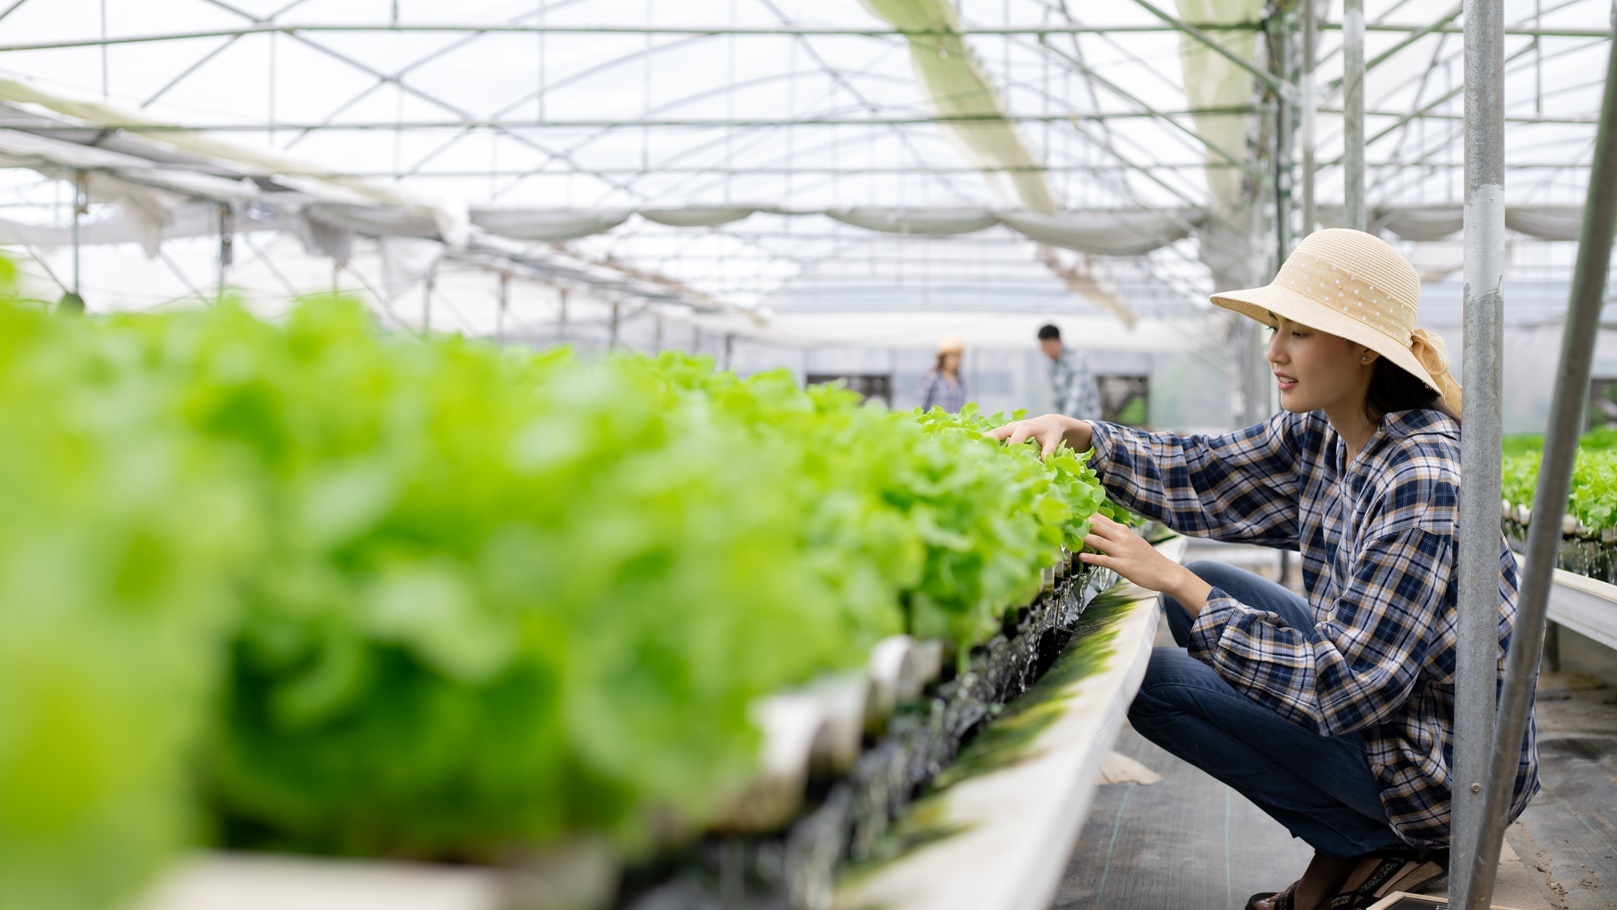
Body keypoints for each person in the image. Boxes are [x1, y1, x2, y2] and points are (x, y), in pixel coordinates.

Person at [990, 230, 1539, 910]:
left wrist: (1173, 578)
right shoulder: (1331, 431)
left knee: (1158, 681)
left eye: (1299, 332)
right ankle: (1354, 846)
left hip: (1445, 777)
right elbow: (1206, 471)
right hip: (1404, 716)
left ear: (1365, 348)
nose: (1274, 350)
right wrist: (1083, 435)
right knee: (1215, 590)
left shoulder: (1421, 479)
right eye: (1275, 327)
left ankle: (1371, 840)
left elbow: (1344, 692)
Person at [1039, 323, 1101, 418]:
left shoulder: (1076, 358)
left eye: (1050, 347)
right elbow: (1056, 398)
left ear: (1059, 342)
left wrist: (1064, 423)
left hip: (1087, 421)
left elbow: (1077, 397)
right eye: (1044, 348)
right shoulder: (1051, 364)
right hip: (1066, 421)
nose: (1047, 352)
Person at [919, 336, 966, 413]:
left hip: (956, 425)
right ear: (943, 358)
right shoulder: (932, 377)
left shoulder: (960, 381)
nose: (957, 360)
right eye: (953, 356)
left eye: (959, 356)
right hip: (935, 424)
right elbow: (920, 405)